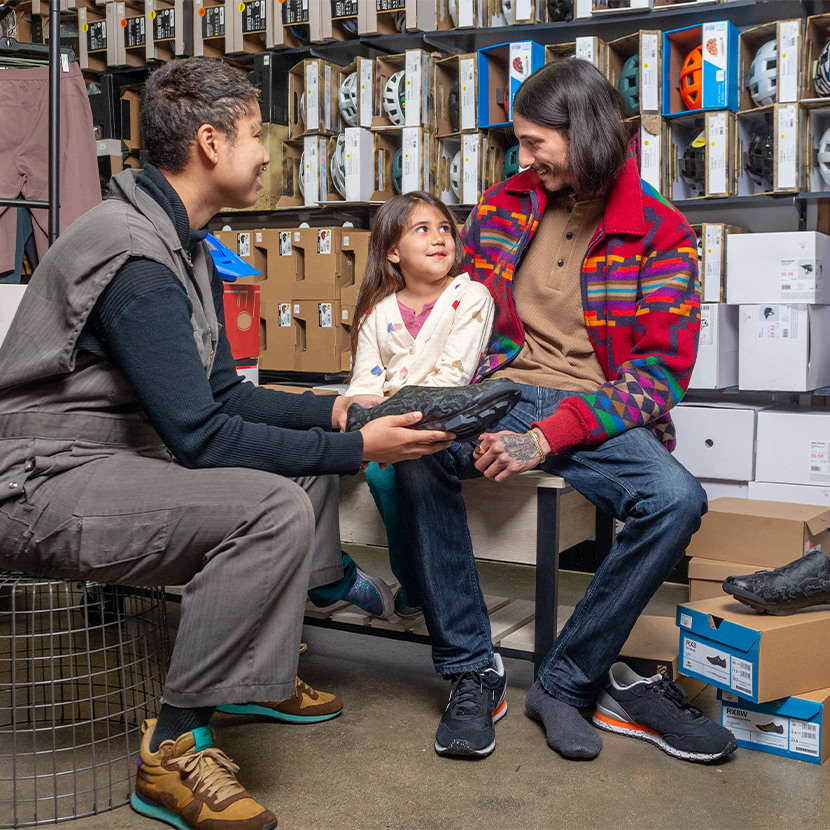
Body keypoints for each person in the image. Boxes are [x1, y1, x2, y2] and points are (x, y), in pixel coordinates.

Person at [0, 57, 452, 830]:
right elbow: (204, 437)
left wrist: (338, 412)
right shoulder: (135, 258)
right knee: (269, 506)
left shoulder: (187, 244)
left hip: (111, 458)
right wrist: (360, 450)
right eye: (254, 136)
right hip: (40, 481)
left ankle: (250, 674)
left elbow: (224, 396)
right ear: (210, 143)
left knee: (296, 456)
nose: (267, 153)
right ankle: (172, 749)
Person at [393, 59, 736, 763]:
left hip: (598, 409)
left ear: (582, 134)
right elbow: (465, 317)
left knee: (675, 500)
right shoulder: (503, 205)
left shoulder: (660, 231)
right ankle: (471, 672)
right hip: (502, 391)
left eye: (533, 143)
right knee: (414, 443)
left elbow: (659, 375)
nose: (522, 159)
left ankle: (566, 681)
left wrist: (548, 437)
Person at [340, 191, 495, 618]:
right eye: (422, 230)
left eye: (445, 228)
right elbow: (365, 382)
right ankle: (392, 579)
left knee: (388, 474)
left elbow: (453, 377)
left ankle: (417, 584)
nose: (439, 238)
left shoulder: (472, 297)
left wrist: (392, 412)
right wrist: (365, 412)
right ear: (393, 251)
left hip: (445, 422)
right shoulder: (377, 312)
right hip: (387, 423)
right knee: (364, 466)